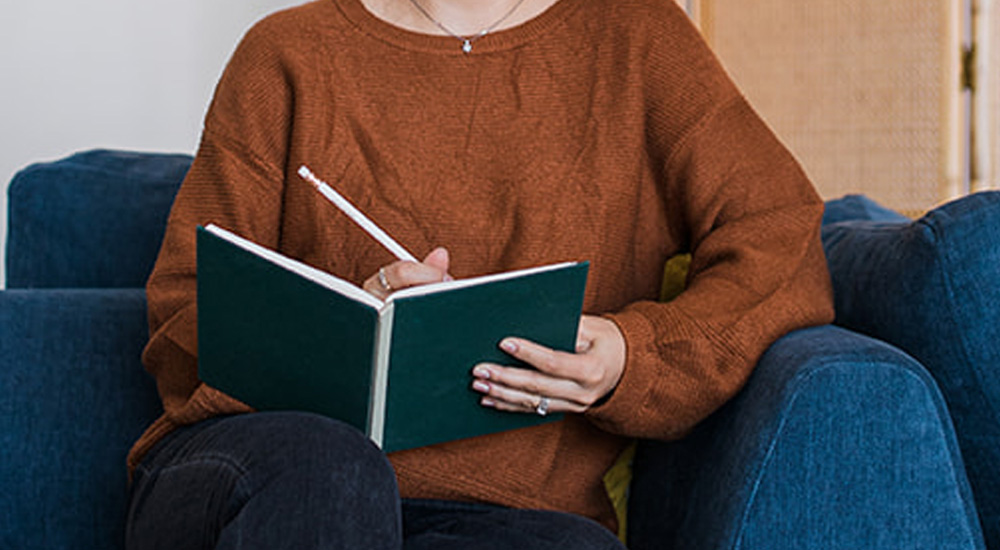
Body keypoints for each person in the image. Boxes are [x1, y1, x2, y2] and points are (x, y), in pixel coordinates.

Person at [124, 0, 835, 548]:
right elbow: (187, 307)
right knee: (332, 470)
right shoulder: (286, 52)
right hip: (259, 469)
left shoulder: (638, 39)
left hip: (506, 510)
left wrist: (633, 356)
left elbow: (781, 232)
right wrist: (338, 323)